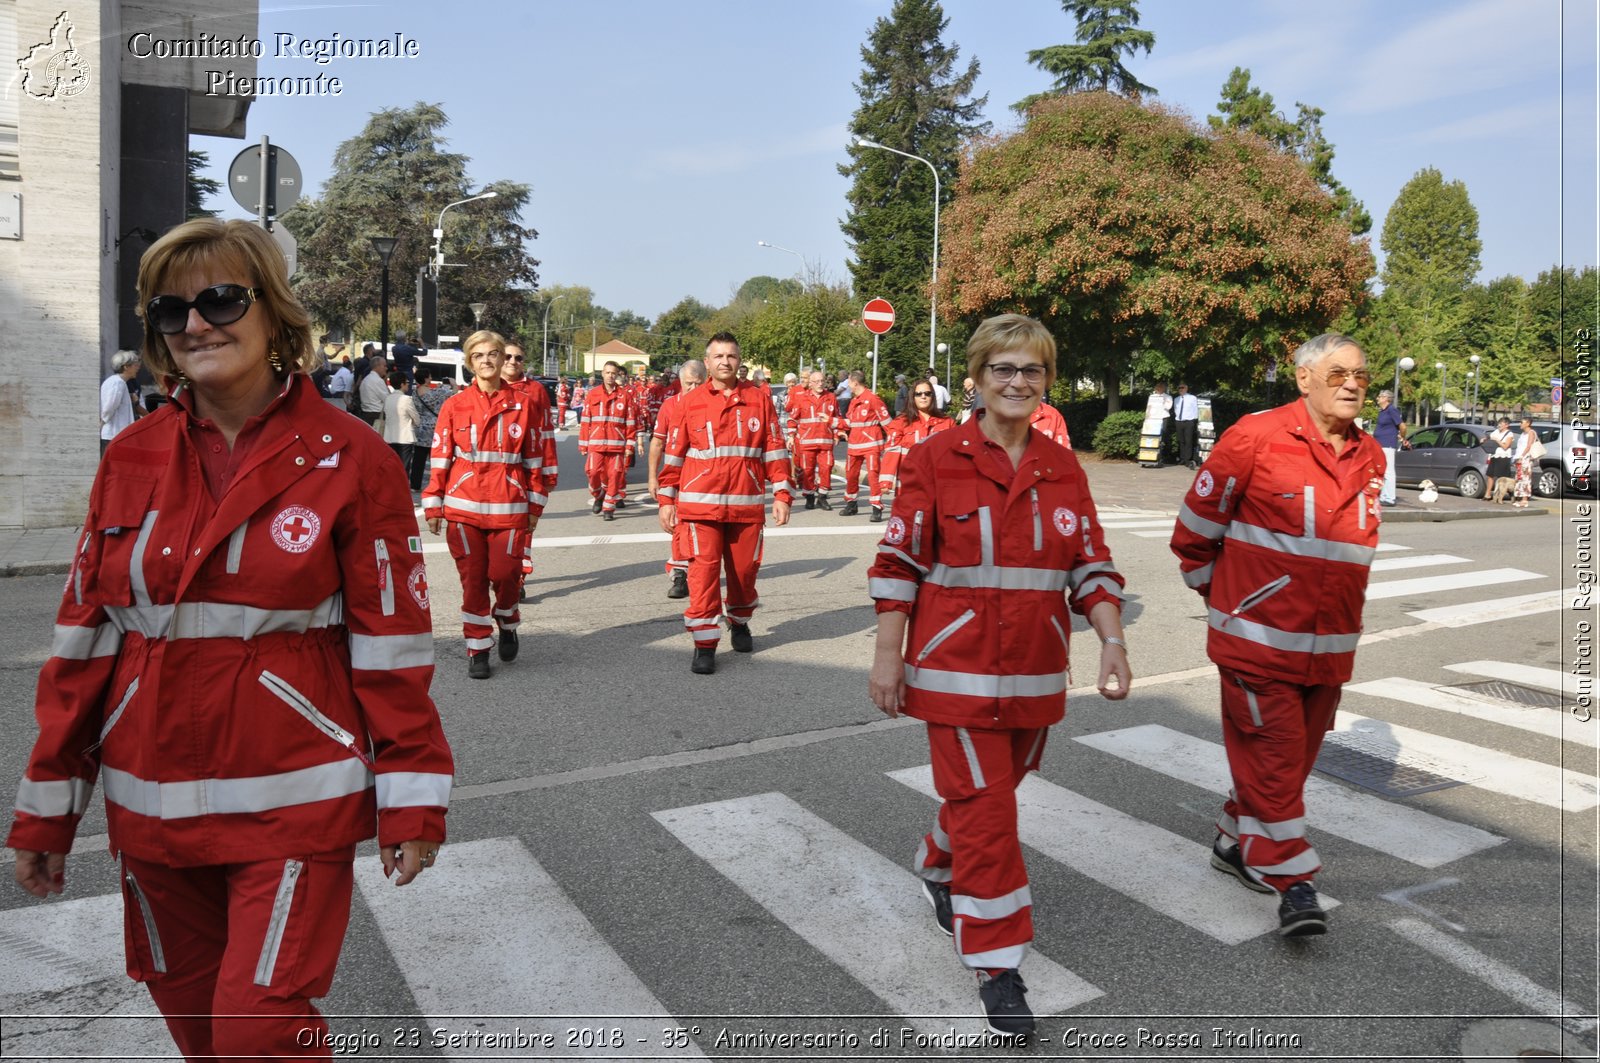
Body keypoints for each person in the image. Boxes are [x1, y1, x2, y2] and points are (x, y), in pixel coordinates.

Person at [9, 218, 453, 1060]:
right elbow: (84, 642)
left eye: (220, 298)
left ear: (273, 313)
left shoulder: (350, 456)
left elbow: (393, 645)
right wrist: (48, 808)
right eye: (172, 312)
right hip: (150, 810)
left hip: (294, 802)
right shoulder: (129, 457)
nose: (197, 324)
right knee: (200, 1034)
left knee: (257, 1032)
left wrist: (412, 792)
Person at [867, 313, 1129, 1039]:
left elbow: (1091, 564)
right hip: (954, 671)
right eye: (1003, 370)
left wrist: (1111, 639)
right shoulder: (934, 458)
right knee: (992, 817)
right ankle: (998, 962)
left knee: (989, 798)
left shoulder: (1062, 465)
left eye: (1032, 370)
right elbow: (898, 565)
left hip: (1036, 673)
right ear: (977, 380)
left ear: (1047, 382)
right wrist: (889, 656)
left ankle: (936, 857)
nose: (1017, 382)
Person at [1169, 331, 1384, 939]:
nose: (1351, 384)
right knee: (1275, 757)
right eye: (1339, 372)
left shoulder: (1371, 456)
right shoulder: (1255, 437)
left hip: (1331, 648)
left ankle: (1233, 842)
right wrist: (1232, 602)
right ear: (1304, 378)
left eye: (1361, 375)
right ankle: (1295, 882)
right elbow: (1193, 535)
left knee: (1287, 765)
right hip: (1256, 644)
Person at [657, 331, 794, 674]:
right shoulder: (689, 402)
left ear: (739, 361)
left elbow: (774, 449)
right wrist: (666, 499)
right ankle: (704, 644)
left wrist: (781, 493)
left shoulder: (759, 399)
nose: (725, 362)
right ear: (707, 363)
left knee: (744, 573)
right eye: (718, 356)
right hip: (699, 508)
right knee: (702, 576)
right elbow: (674, 455)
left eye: (731, 356)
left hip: (746, 506)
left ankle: (741, 620)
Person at [422, 330, 547, 679]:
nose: (488, 360)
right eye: (479, 355)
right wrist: (433, 505)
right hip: (463, 508)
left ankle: (507, 620)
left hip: (509, 507)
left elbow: (535, 461)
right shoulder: (454, 405)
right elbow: (440, 457)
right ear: (469, 362)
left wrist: (534, 508)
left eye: (495, 354)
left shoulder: (524, 405)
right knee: (473, 580)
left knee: (506, 575)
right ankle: (477, 646)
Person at [648, 359, 707, 599]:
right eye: (687, 384)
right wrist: (653, 477)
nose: (692, 388)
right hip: (677, 476)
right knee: (677, 523)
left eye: (697, 383)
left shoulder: (713, 405)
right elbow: (658, 442)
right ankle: (680, 572)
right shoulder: (670, 406)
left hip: (705, 478)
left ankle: (698, 569)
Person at [879, 374, 955, 504]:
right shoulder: (901, 422)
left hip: (938, 483)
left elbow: (955, 456)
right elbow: (891, 451)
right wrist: (886, 481)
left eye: (927, 393)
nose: (923, 396)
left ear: (933, 396)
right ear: (912, 398)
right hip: (909, 482)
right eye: (918, 394)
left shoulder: (947, 422)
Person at [578, 360, 638, 520]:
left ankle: (608, 508)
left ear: (617, 375)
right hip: (596, 443)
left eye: (613, 373)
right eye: (607, 372)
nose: (610, 376)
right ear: (602, 374)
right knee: (592, 472)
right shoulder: (593, 394)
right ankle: (598, 495)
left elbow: (631, 423)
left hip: (617, 445)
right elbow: (585, 421)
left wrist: (629, 446)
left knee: (615, 475)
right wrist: (583, 444)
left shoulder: (624, 396)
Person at [838, 370, 893, 521]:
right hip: (854, 446)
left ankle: (876, 507)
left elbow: (887, 423)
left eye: (849, 383)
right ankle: (851, 504)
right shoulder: (854, 401)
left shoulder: (873, 399)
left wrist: (892, 443)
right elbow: (850, 422)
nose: (848, 386)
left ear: (855, 383)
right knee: (851, 475)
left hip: (871, 445)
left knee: (873, 476)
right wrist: (832, 423)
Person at [787, 370, 840, 510]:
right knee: (807, 470)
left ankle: (822, 497)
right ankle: (809, 497)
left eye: (822, 381)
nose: (820, 384)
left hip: (825, 440)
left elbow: (837, 417)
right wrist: (791, 436)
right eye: (817, 381)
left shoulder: (831, 397)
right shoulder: (801, 398)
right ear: (810, 384)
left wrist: (837, 433)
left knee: (827, 468)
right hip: (807, 441)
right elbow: (792, 418)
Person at [411, 365, 452, 491]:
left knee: (418, 459)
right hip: (434, 428)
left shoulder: (414, 393)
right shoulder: (437, 392)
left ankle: (415, 484)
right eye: (430, 377)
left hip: (420, 428)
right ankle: (437, 485)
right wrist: (451, 383)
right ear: (427, 379)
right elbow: (453, 391)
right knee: (435, 459)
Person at [382, 370, 419, 486]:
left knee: (392, 466)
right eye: (407, 382)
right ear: (402, 384)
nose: (408, 384)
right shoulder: (407, 399)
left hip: (389, 437)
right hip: (405, 437)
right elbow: (417, 419)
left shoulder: (388, 398)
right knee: (404, 467)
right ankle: (401, 489)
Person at [100, 350, 141, 452]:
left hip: (116, 433)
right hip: (114, 434)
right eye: (135, 365)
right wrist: (103, 421)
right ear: (126, 367)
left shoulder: (118, 382)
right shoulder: (117, 383)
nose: (137, 368)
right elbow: (110, 406)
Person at [1373, 389, 1406, 506]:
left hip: (1388, 444)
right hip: (1380, 444)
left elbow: (1402, 426)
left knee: (1389, 472)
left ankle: (1390, 498)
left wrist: (1402, 437)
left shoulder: (1392, 410)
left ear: (1386, 399)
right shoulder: (1383, 411)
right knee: (1382, 470)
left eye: (1380, 396)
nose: (1378, 398)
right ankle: (1384, 496)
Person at [1487, 417, 1517, 504]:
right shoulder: (1496, 431)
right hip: (1494, 455)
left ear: (1507, 425)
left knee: (1502, 478)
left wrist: (1497, 440)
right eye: (1499, 423)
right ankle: (1488, 494)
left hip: (1503, 457)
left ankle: (1504, 497)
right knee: (1490, 475)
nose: (1499, 425)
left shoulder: (1509, 434)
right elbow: (1490, 437)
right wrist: (1485, 439)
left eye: (1501, 423)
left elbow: (1505, 446)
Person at [1512, 417, 1540, 508]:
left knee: (1525, 477)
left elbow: (1529, 446)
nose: (1520, 424)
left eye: (1522, 422)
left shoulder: (1531, 432)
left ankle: (1524, 499)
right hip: (1519, 457)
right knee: (1519, 477)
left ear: (1528, 423)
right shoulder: (1523, 434)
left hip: (1526, 458)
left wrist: (1522, 456)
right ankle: (1519, 498)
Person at [357, 353, 389, 429]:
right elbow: (387, 400)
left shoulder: (366, 379)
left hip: (366, 414)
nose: (386, 368)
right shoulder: (377, 380)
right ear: (377, 366)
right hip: (376, 415)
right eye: (384, 366)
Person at [1172, 383, 1200, 468]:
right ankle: (1182, 458)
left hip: (1189, 421)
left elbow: (1195, 409)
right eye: (1179, 388)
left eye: (1182, 388)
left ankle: (1188, 460)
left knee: (1188, 441)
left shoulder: (1192, 398)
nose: (1181, 389)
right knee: (1181, 440)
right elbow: (1175, 409)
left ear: (1186, 389)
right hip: (1179, 421)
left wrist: (1194, 420)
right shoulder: (1176, 399)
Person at [1145, 382, 1172, 465]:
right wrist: (1147, 417)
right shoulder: (1152, 397)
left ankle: (1161, 456)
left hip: (1163, 418)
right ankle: (1150, 455)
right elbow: (1149, 407)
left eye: (1161, 388)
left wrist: (1163, 401)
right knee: (1152, 436)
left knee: (1162, 436)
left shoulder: (1168, 397)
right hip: (1153, 419)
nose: (1159, 390)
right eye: (1158, 388)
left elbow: (1168, 407)